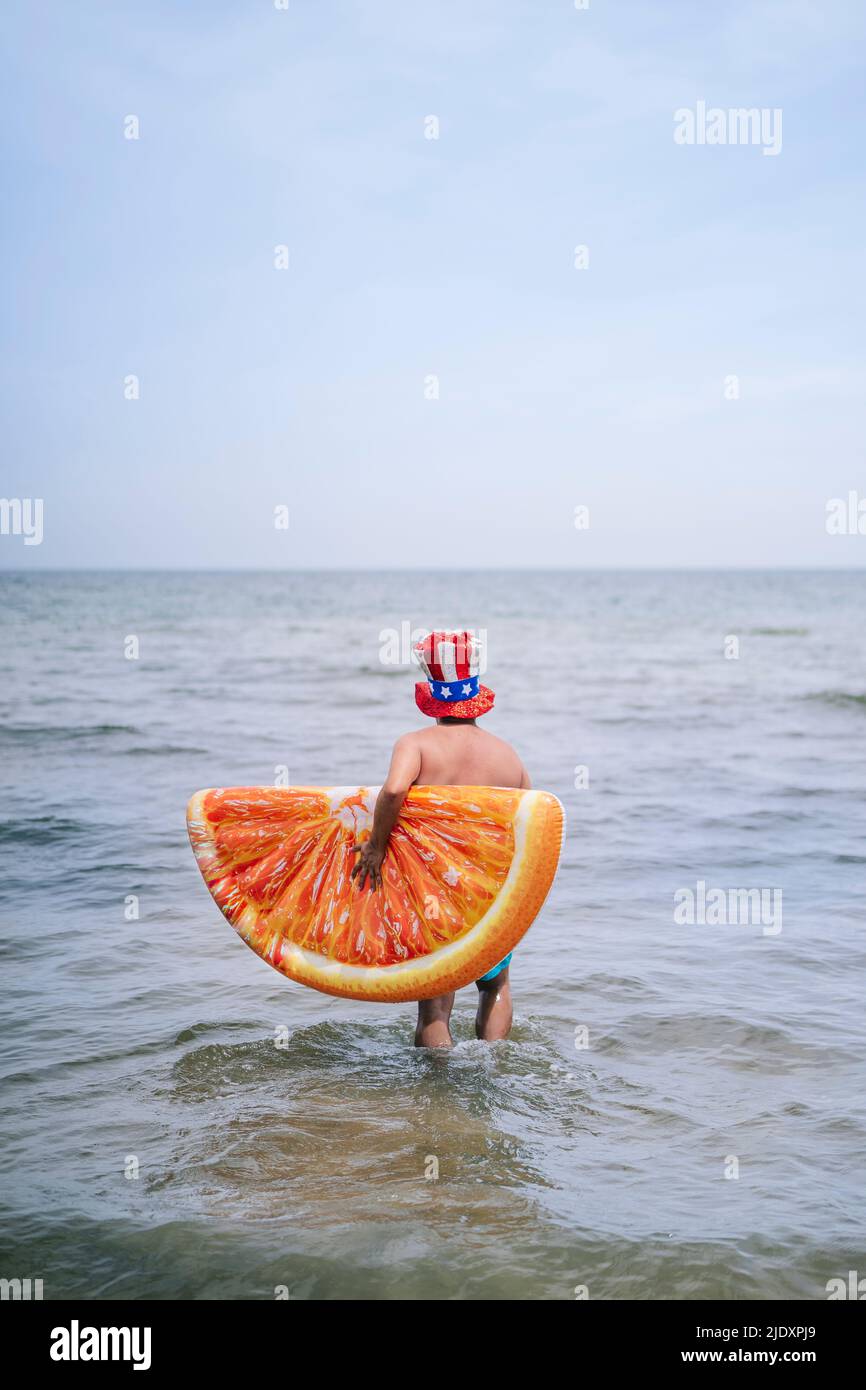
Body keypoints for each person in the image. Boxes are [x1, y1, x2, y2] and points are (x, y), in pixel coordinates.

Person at [351, 629, 531, 1048]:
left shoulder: (415, 744)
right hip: (489, 890)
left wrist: (377, 846)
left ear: (432, 693)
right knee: (496, 983)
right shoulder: (508, 755)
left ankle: (439, 1094)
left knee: (435, 1004)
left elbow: (394, 791)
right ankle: (493, 1060)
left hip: (435, 889)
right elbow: (527, 819)